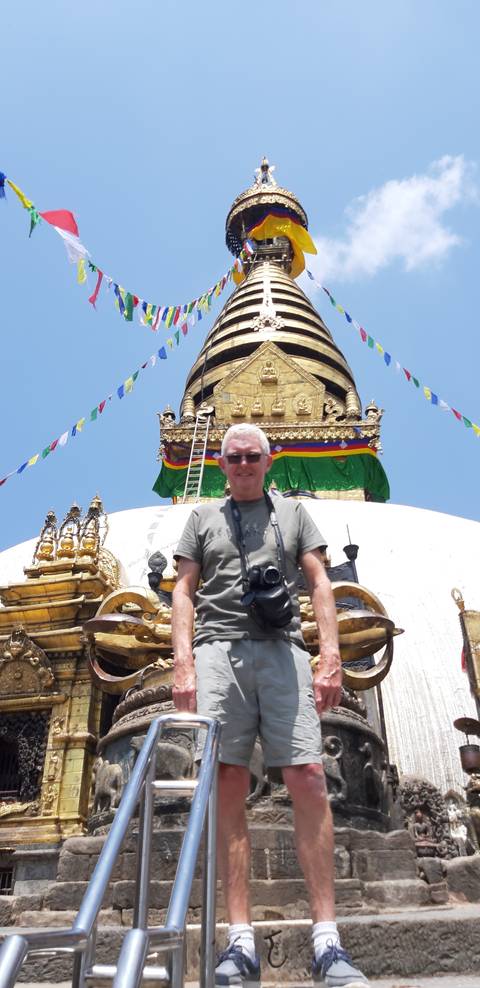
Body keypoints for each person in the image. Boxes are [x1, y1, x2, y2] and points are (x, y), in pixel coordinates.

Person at [172, 423, 369, 988]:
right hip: (217, 652)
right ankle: (240, 940)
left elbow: (320, 580)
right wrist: (182, 664)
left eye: (252, 455)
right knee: (228, 781)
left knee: (307, 774)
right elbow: (183, 589)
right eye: (233, 457)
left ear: (270, 458)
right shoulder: (201, 518)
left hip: (283, 649)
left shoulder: (297, 513)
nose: (243, 464)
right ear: (220, 462)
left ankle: (328, 940)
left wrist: (330, 655)